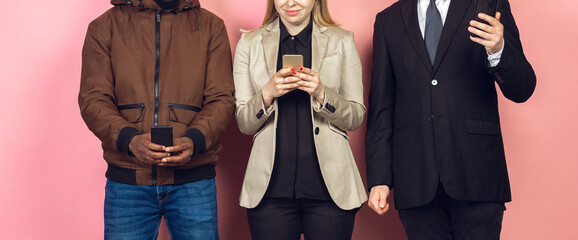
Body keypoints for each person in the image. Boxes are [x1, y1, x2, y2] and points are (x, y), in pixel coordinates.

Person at [366, 0, 536, 239]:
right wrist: (380, 178)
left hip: (478, 173)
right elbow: (382, 106)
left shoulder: (488, 5)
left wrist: (499, 49)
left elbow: (523, 89)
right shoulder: (388, 19)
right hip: (415, 179)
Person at [78, 0, 234, 239]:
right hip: (128, 182)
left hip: (193, 182)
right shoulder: (104, 27)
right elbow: (93, 99)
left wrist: (195, 139)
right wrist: (129, 140)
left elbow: (222, 98)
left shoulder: (211, 26)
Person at [233, 0, 367, 239]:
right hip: (269, 193)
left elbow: (355, 117)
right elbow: (244, 123)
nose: (291, 2)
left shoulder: (342, 40)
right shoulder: (250, 43)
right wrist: (266, 94)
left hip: (330, 191)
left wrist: (322, 93)